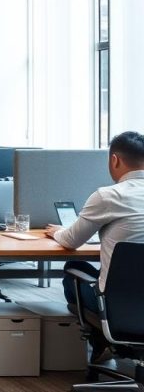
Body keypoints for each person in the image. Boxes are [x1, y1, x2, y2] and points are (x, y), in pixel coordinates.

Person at [46, 131, 144, 330]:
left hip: (116, 305)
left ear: (114, 160)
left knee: (74, 269)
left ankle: (102, 341)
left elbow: (71, 241)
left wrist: (57, 232)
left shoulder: (108, 196)